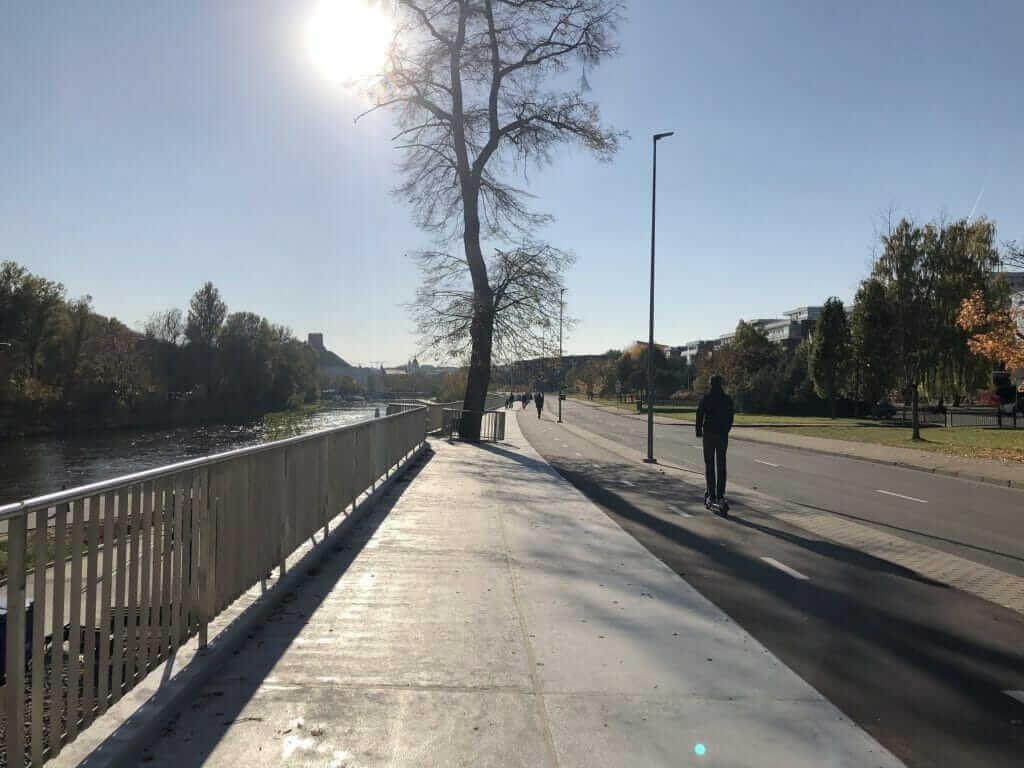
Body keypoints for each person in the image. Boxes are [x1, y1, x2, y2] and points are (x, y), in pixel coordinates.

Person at [695, 375, 734, 509]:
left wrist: (698, 430)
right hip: (722, 435)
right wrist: (726, 430)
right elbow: (731, 416)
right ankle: (720, 494)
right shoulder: (727, 399)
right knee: (721, 465)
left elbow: (699, 414)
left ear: (711, 384)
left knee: (710, 464)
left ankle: (711, 493)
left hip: (709, 434)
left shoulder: (706, 398)